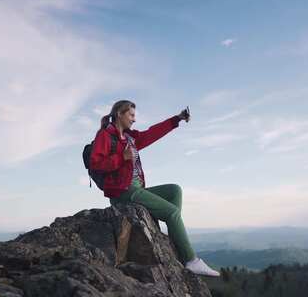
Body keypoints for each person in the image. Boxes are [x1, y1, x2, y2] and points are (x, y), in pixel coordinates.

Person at [90, 100, 220, 277]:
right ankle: (191, 261)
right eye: (131, 115)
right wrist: (122, 157)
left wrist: (177, 119)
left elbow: (152, 133)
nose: (134, 119)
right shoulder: (105, 136)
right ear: (120, 114)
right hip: (122, 191)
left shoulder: (130, 137)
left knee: (174, 190)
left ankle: (174, 238)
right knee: (172, 212)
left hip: (136, 188)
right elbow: (96, 164)